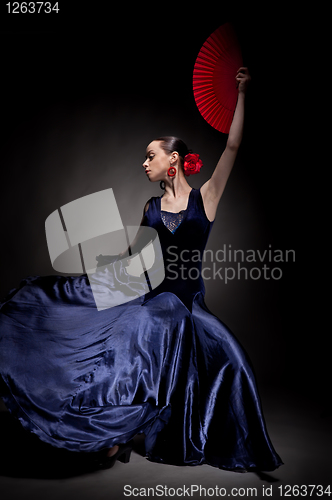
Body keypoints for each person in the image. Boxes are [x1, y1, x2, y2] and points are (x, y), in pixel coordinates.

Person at [0, 68, 283, 472]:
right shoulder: (150, 208)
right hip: (149, 296)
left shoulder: (206, 198)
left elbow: (233, 145)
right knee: (120, 338)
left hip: (187, 303)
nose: (144, 162)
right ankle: (109, 432)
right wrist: (98, 278)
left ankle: (223, 442)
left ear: (175, 159)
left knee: (234, 360)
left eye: (151, 155)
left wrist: (241, 92)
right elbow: (137, 258)